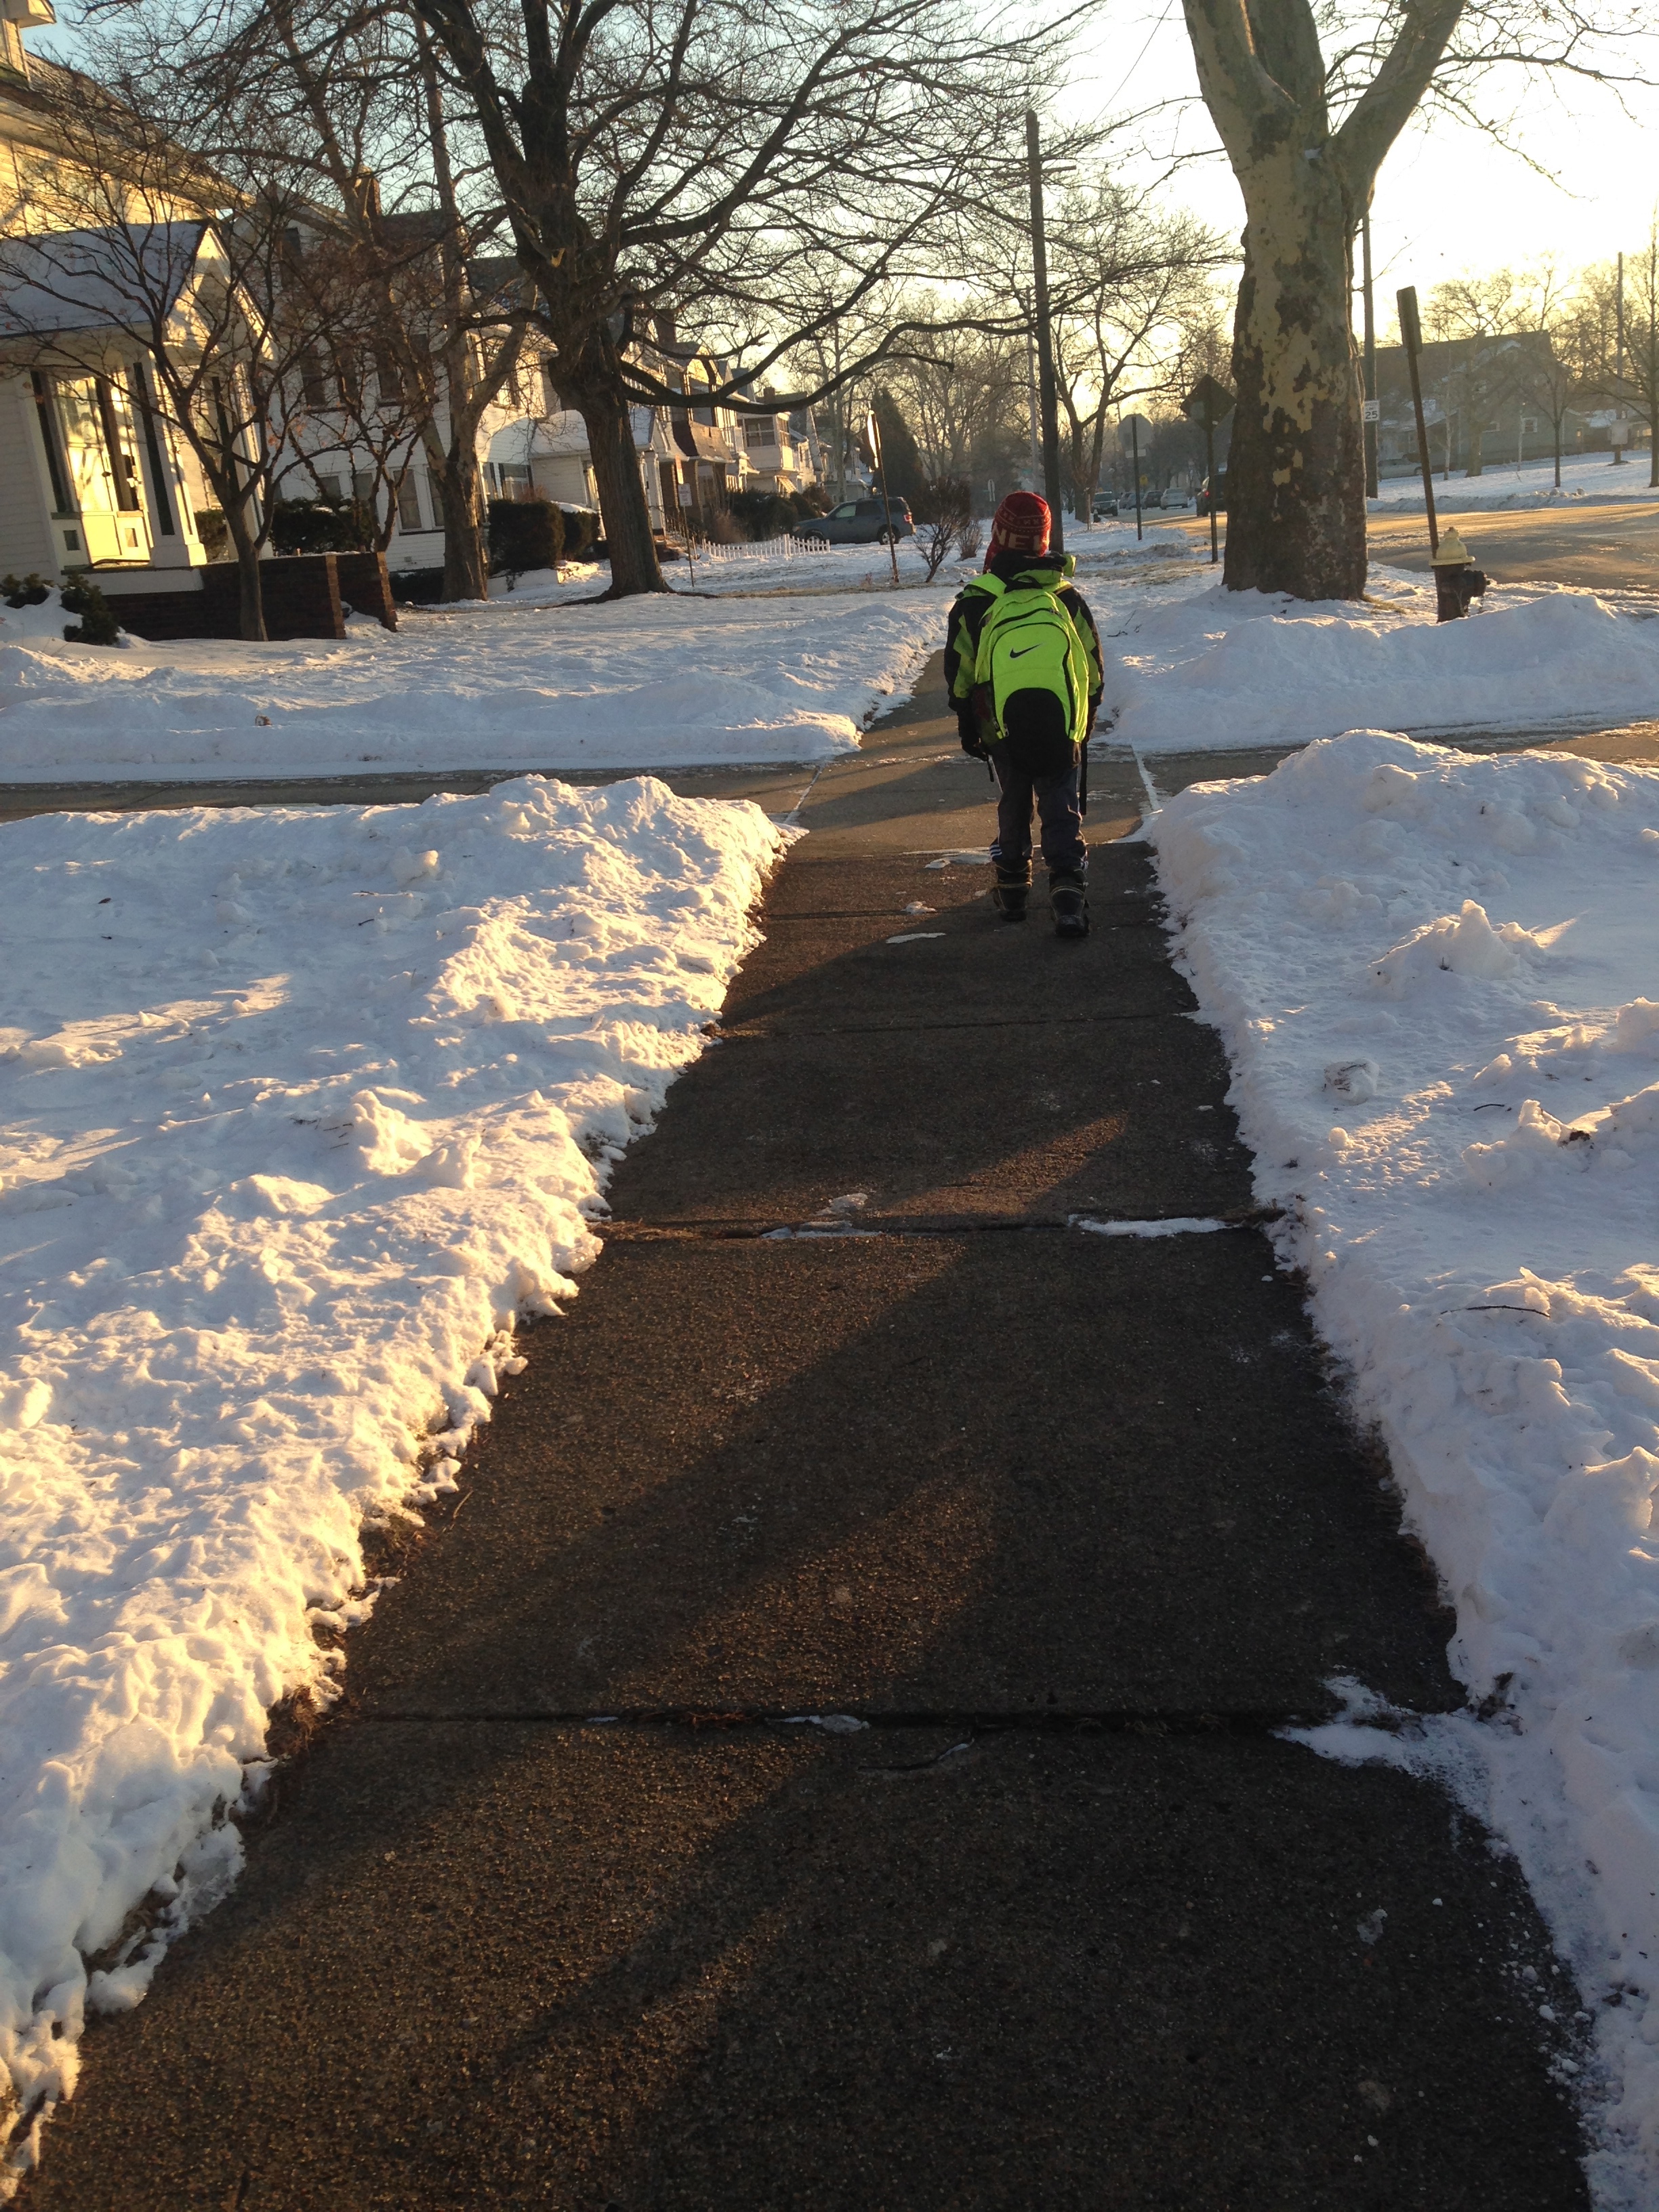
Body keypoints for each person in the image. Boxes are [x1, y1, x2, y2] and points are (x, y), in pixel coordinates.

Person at [943, 491, 1103, 937]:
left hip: (1001, 724)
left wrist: (967, 723)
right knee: (1060, 802)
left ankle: (1012, 887)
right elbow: (1090, 666)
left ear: (998, 536)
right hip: (1061, 723)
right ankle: (1068, 892)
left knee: (1014, 800)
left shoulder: (977, 598)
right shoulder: (1065, 597)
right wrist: (1083, 719)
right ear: (1044, 542)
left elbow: (961, 671)